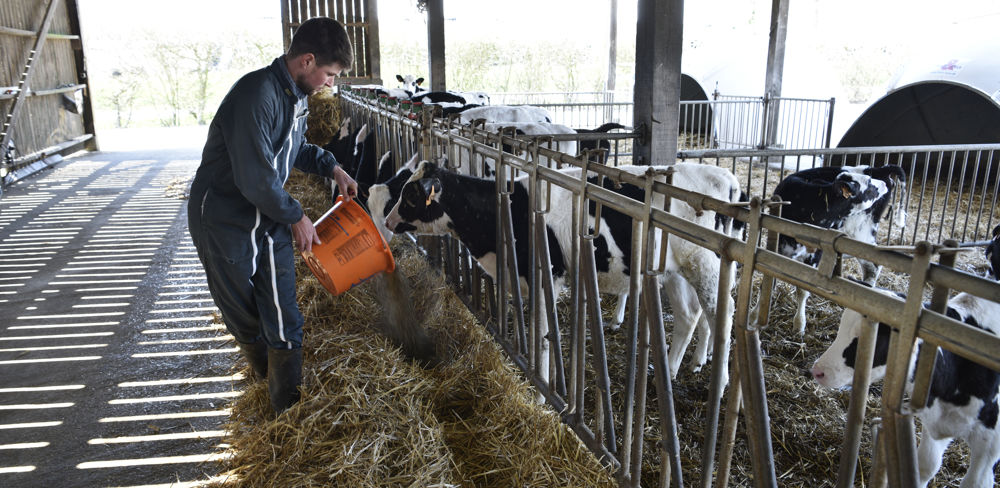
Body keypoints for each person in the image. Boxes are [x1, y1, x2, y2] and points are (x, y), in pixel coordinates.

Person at [187, 17, 358, 414]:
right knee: (243, 311)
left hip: (268, 215)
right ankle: (263, 380)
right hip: (226, 218)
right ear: (307, 61)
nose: (331, 83)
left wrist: (332, 166)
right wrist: (297, 215)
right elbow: (254, 176)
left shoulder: (295, 95)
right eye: (329, 74)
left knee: (283, 310)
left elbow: (292, 148)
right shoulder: (256, 95)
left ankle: (286, 409)